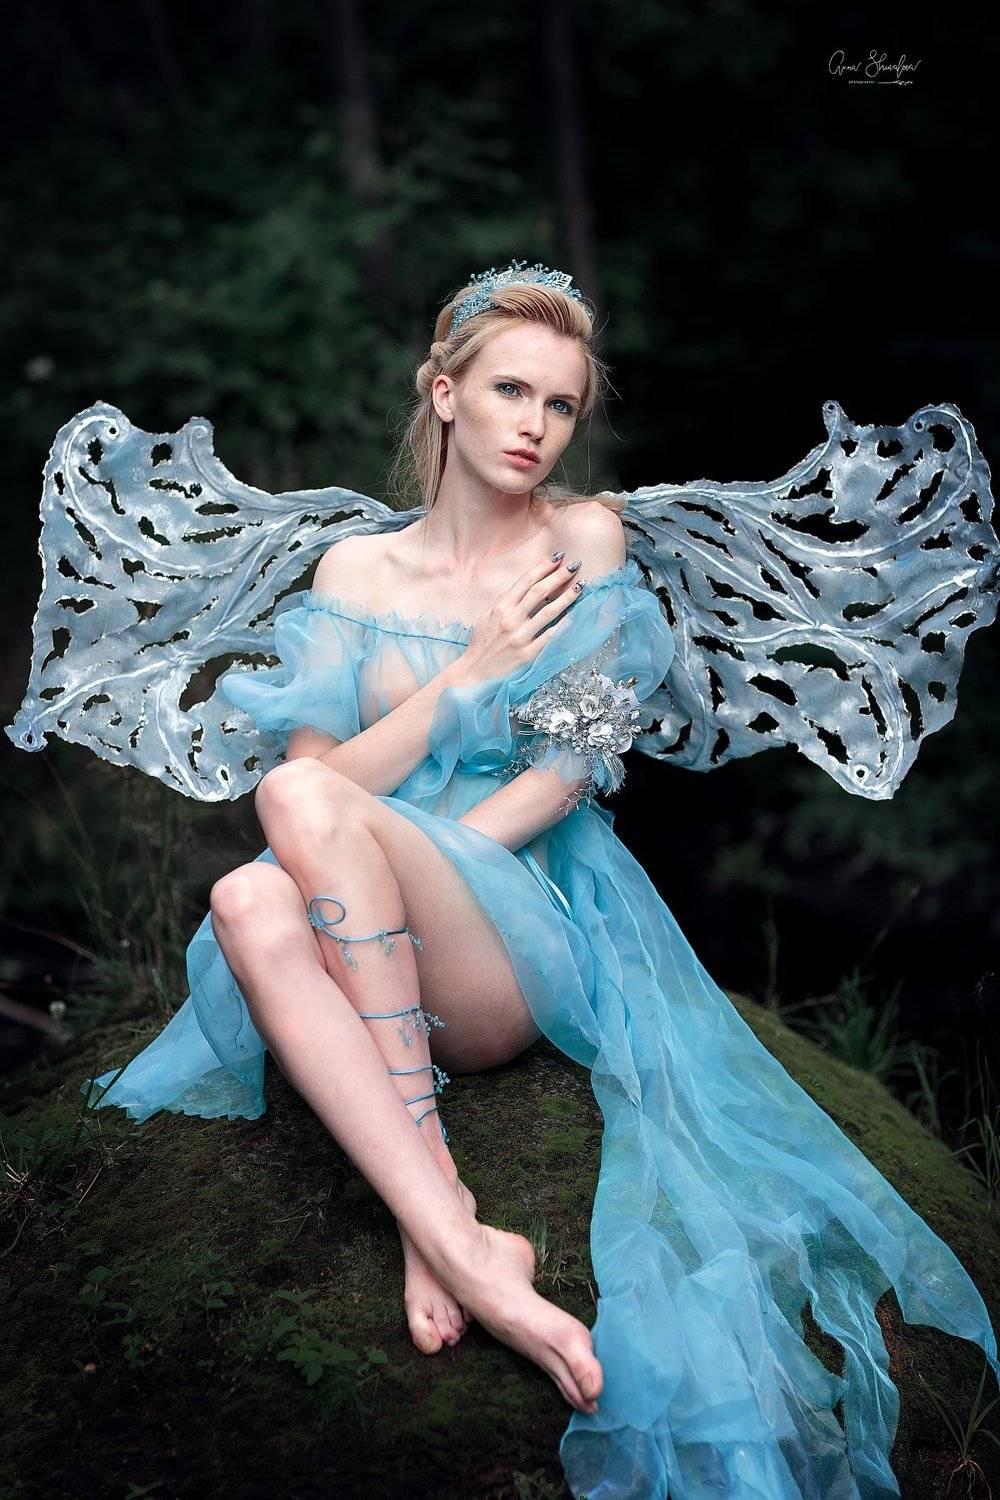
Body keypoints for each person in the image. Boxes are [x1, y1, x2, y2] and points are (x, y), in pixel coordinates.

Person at [12, 260, 998, 1497]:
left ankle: (437, 1228)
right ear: (444, 393)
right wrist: (464, 679)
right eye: (509, 391)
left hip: (508, 919)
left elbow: (567, 775)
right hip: (349, 901)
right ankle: (456, 1230)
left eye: (561, 404)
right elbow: (315, 783)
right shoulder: (353, 574)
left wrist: (423, 857)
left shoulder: (581, 544)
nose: (535, 426)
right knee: (247, 894)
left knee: (297, 823)